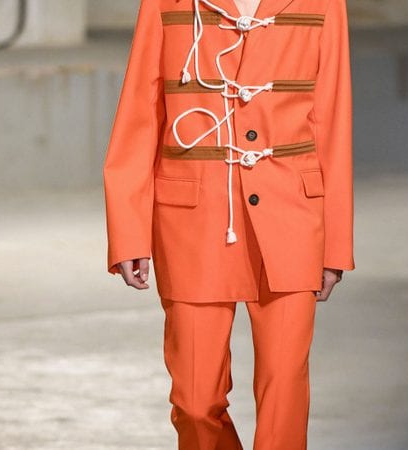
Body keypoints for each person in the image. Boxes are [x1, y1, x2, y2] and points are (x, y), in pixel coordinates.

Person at [102, 0, 354, 447]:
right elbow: (140, 112)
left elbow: (332, 118)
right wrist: (129, 232)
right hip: (192, 223)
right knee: (195, 403)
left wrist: (335, 243)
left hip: (291, 216)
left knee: (283, 398)